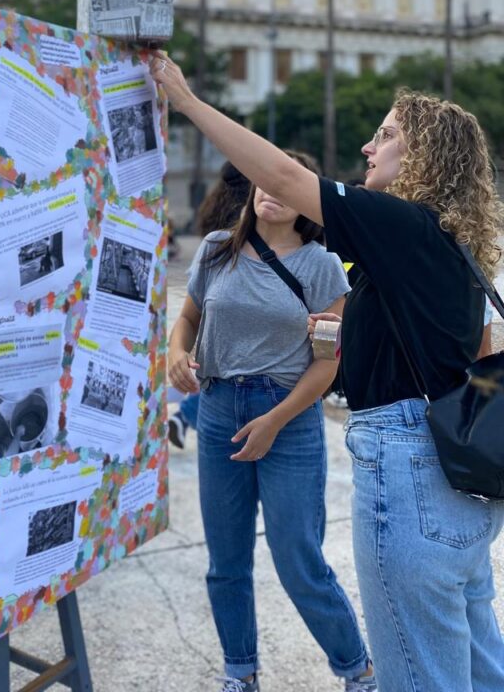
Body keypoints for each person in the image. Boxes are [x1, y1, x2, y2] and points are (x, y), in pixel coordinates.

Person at [151, 51, 504, 691]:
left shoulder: (404, 223)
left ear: (423, 157)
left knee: (419, 675)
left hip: (409, 471)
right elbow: (469, 358)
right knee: (479, 668)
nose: (369, 147)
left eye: (386, 134)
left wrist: (188, 101)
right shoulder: (452, 242)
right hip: (458, 483)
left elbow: (285, 176)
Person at [169, 149, 376, 692]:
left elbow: (326, 364)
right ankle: (240, 672)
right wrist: (175, 352)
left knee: (298, 560)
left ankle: (357, 669)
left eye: (287, 184)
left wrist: (275, 421)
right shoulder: (216, 250)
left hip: (290, 419)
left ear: (307, 199)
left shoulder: (322, 265)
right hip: (218, 411)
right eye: (265, 179)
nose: (272, 190)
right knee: (226, 561)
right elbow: (188, 317)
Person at [168, 160, 250, 448]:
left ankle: (183, 417)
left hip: (213, 304)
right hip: (238, 307)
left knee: (213, 374)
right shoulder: (248, 214)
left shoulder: (214, 207)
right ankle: (184, 417)